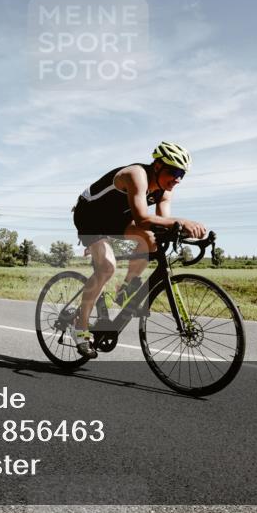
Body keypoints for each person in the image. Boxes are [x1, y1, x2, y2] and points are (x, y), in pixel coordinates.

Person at [69, 141, 207, 358]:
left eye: (182, 173)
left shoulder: (165, 189)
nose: (178, 179)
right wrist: (181, 221)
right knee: (106, 267)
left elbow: (162, 221)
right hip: (91, 217)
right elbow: (143, 218)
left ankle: (125, 290)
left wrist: (183, 231)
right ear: (158, 166)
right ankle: (80, 325)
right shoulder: (137, 175)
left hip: (118, 219)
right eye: (174, 171)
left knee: (151, 241)